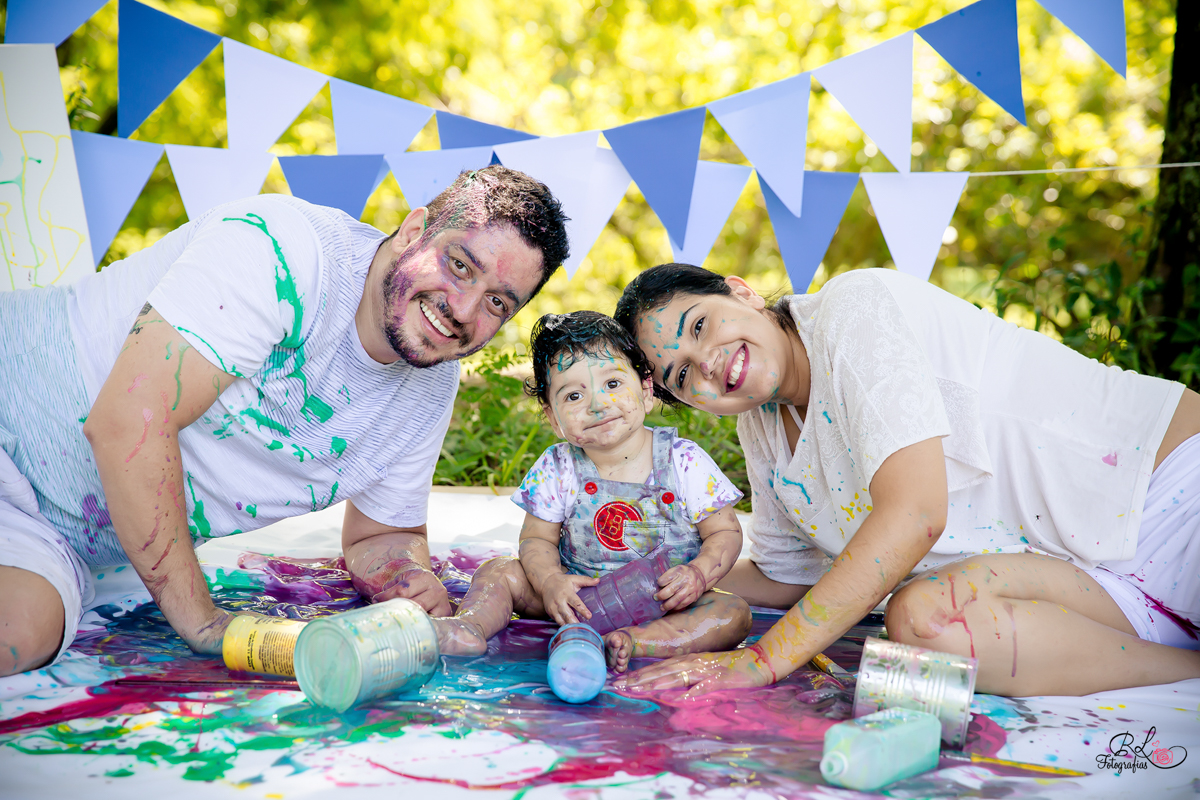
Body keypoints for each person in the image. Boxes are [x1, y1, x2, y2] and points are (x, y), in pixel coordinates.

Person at [0, 165, 570, 676]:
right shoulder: (284, 251)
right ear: (414, 230)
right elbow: (129, 421)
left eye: (499, 302)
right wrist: (206, 624)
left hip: (57, 537)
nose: (465, 310)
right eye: (459, 264)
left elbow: (381, 532)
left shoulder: (431, 381)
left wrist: (402, 580)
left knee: (18, 635)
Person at [610, 263, 1200, 697]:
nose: (707, 362)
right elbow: (785, 575)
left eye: (701, 325)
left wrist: (763, 660)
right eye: (682, 375)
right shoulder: (763, 426)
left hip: (1167, 492)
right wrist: (650, 580)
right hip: (1097, 581)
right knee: (923, 621)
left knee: (904, 620)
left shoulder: (853, 308)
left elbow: (914, 515)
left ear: (740, 292)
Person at [430, 310, 750, 671]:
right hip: (575, 599)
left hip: (665, 600)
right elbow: (536, 541)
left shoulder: (683, 460)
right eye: (574, 396)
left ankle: (637, 642)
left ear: (645, 391)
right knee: (500, 570)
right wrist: (551, 583)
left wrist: (699, 574)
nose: (597, 405)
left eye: (613, 385)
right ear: (553, 418)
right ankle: (470, 627)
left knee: (731, 613)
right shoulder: (559, 466)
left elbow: (724, 531)